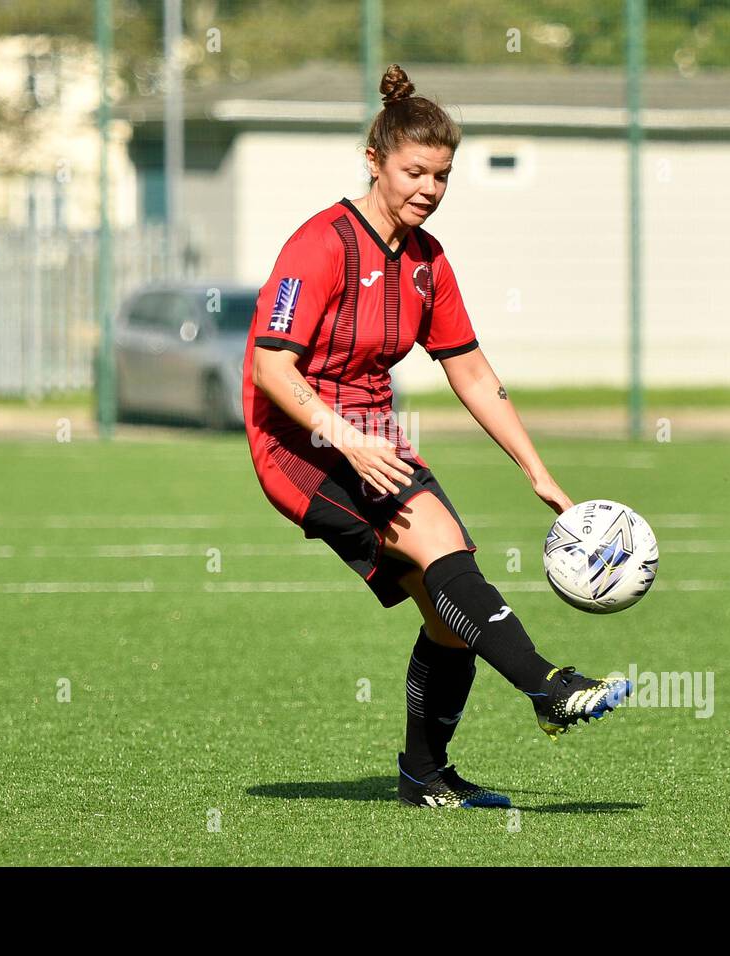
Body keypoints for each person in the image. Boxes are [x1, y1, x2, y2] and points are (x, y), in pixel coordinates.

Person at [242, 64, 630, 809]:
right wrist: (344, 438)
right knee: (438, 551)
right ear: (375, 160)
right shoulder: (318, 245)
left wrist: (537, 471)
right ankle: (548, 687)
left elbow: (474, 374)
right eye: (414, 171)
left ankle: (424, 774)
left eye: (443, 176)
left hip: (374, 441)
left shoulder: (428, 262)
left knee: (450, 614)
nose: (428, 187)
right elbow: (267, 367)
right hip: (297, 445)